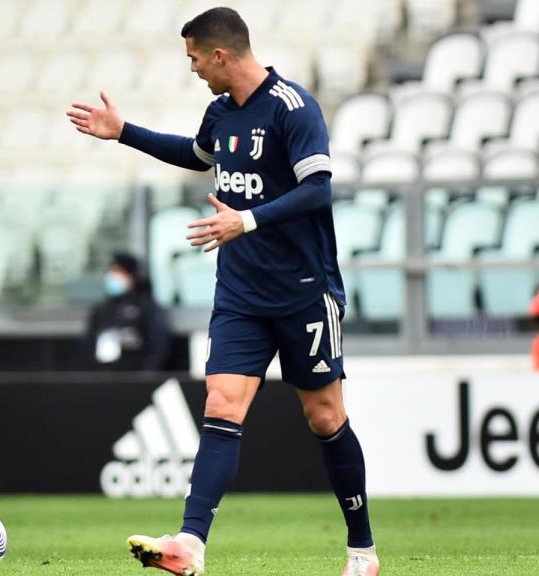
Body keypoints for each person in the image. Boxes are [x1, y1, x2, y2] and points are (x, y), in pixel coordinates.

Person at [67, 7, 379, 576]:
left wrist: (247, 221)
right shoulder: (220, 113)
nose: (192, 70)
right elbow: (197, 154)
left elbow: (318, 192)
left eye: (193, 59)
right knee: (220, 406)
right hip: (240, 294)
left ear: (219, 55)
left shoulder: (294, 108)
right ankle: (190, 544)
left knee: (326, 418)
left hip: (304, 292)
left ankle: (362, 550)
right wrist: (125, 133)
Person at [83, 252, 171, 371]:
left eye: (119, 272)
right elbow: (88, 347)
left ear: (131, 276)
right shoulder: (101, 309)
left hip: (135, 380)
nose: (114, 276)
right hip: (104, 380)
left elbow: (158, 348)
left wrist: (143, 379)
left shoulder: (147, 307)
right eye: (112, 271)